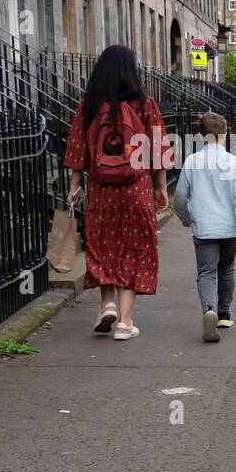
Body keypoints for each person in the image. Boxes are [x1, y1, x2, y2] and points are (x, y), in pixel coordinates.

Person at [65, 44, 171, 342]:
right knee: (134, 250)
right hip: (136, 187)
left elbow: (78, 149)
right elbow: (158, 149)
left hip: (101, 190)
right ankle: (125, 323)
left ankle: (106, 304)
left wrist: (75, 186)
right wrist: (160, 188)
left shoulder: (89, 104)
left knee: (104, 246)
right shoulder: (144, 104)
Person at [174, 112, 236, 343]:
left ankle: (208, 309)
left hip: (204, 227)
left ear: (201, 135)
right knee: (227, 269)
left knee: (206, 272)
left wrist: (186, 217)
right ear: (226, 133)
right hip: (229, 227)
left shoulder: (192, 161)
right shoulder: (233, 162)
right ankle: (224, 314)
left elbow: (180, 196)